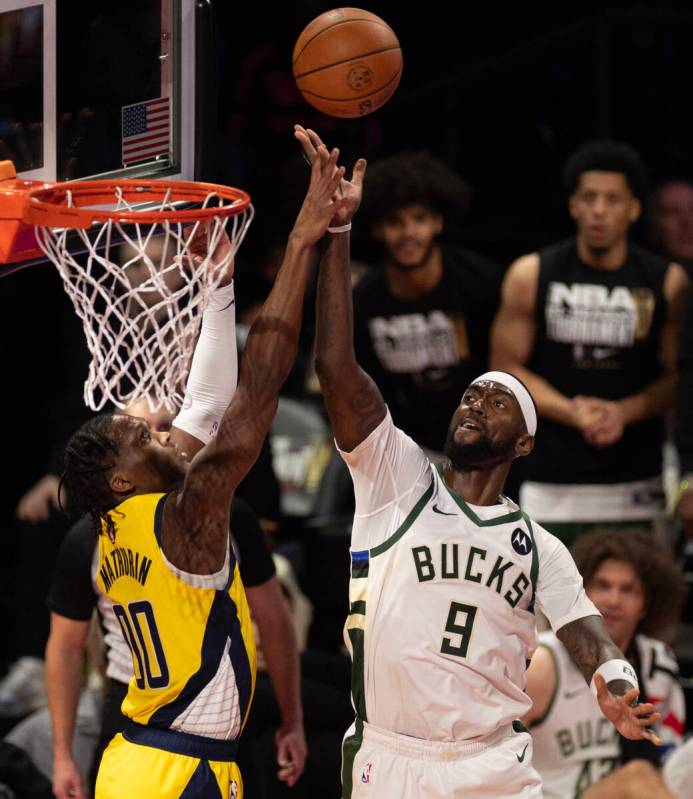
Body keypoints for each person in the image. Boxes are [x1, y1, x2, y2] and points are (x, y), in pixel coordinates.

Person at [297, 125, 662, 799]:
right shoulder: (396, 479)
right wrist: (338, 237)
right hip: (391, 758)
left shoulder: (536, 544)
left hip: (491, 765)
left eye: (496, 401)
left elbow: (585, 633)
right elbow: (334, 366)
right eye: (470, 394)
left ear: (523, 441)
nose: (475, 402)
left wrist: (614, 682)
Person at [57, 138, 347, 799]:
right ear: (124, 477)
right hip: (171, 772)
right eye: (142, 435)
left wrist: (217, 284)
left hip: (146, 762)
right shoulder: (186, 513)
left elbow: (207, 404)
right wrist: (303, 239)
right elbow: (256, 388)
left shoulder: (118, 523)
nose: (161, 429)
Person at [46, 402, 305, 799]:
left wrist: (292, 716)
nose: (170, 438)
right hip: (158, 717)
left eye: (165, 427)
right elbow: (64, 645)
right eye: (145, 435)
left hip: (150, 738)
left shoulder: (103, 530)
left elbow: (274, 618)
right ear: (120, 476)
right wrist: (62, 754)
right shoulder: (198, 518)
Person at [491, 140, 690, 546]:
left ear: (634, 209)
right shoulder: (530, 274)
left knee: (638, 604)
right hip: (549, 481)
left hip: (637, 481)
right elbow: (506, 368)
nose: (599, 209)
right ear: (573, 206)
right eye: (589, 198)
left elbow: (680, 377)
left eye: (612, 199)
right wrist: (573, 413)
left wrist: (624, 412)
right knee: (539, 608)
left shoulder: (668, 282)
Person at [352, 150, 502, 453]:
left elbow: (504, 371)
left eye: (419, 220)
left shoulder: (481, 282)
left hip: (484, 439)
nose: (408, 233)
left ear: (438, 222)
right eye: (395, 222)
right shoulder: (363, 300)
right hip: (403, 447)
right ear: (377, 230)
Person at [523, 528, 685, 798]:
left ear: (646, 604)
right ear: (580, 595)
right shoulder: (544, 663)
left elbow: (668, 762)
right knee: (637, 775)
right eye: (603, 585)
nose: (613, 600)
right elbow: (490, 752)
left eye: (628, 590)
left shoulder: (659, 664)